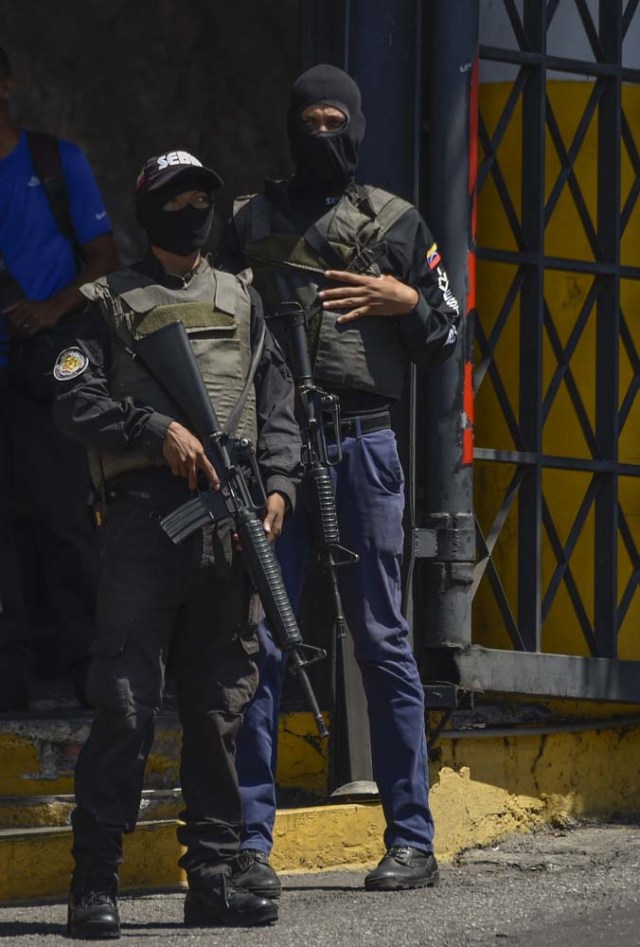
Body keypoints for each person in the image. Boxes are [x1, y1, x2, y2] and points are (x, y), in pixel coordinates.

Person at [220, 64, 460, 895]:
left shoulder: (394, 221)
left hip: (361, 446)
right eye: (309, 120)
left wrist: (406, 300)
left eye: (337, 120)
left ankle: (412, 839)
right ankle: (250, 844)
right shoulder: (248, 222)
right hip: (275, 458)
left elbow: (449, 328)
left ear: (356, 126)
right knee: (261, 641)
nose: (323, 134)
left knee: (383, 640)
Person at [53, 150, 301, 938]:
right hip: (143, 522)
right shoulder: (106, 302)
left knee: (222, 706)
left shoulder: (242, 298)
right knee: (126, 702)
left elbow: (278, 400)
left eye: (202, 195)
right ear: (149, 208)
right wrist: (153, 429)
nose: (192, 207)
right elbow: (70, 394)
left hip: (228, 523)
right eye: (176, 196)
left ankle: (216, 876)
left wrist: (280, 485)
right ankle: (95, 878)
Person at [0, 46, 118, 709]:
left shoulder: (54, 162)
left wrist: (49, 308)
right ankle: (12, 683)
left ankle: (86, 674)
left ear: (8, 86)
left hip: (48, 371)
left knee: (66, 524)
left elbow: (107, 257)